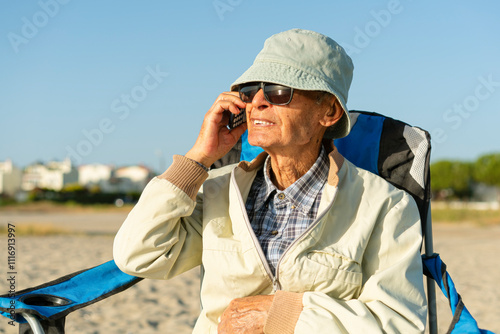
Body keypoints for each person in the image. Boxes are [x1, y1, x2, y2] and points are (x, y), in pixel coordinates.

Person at [113, 29, 427, 333]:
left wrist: (283, 315)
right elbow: (138, 256)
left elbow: (398, 324)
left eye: (279, 92)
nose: (258, 102)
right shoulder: (218, 192)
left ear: (329, 111)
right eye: (250, 92)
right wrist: (200, 157)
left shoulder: (385, 206)